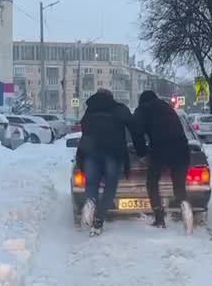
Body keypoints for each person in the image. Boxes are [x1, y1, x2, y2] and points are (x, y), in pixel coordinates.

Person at [75, 88, 135, 235]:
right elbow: (133, 127)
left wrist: (80, 157)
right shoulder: (119, 109)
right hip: (112, 153)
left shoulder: (89, 111)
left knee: (91, 183)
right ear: (111, 97)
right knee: (110, 186)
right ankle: (98, 220)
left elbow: (84, 132)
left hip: (91, 153)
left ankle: (91, 201)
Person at [132, 90, 193, 232]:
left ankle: (159, 218)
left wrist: (142, 153)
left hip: (160, 148)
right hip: (182, 148)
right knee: (179, 185)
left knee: (152, 182)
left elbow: (136, 133)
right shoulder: (167, 107)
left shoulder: (142, 110)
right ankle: (185, 205)